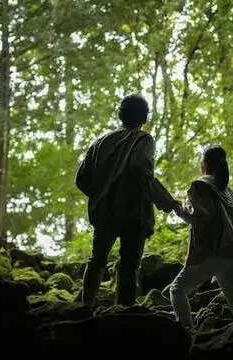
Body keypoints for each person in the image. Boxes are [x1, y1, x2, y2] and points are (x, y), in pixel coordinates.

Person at [75, 94, 178, 306]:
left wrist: (102, 195)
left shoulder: (100, 141)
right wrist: (166, 201)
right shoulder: (143, 139)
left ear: (121, 115)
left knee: (97, 259)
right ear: (144, 117)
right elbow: (141, 171)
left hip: (104, 212)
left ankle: (86, 306)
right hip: (134, 213)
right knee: (130, 263)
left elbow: (81, 179)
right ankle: (124, 310)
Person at [170, 145, 233, 329]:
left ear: (204, 164)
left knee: (177, 289)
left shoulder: (201, 185)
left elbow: (202, 218)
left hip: (215, 252)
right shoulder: (228, 191)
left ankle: (186, 334)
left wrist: (179, 210)